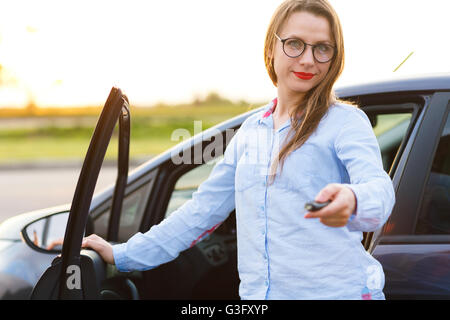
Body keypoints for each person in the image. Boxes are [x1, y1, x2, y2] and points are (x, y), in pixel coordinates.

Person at [81, 0, 395, 300]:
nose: (308, 59)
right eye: (295, 43)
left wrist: (353, 200)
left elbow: (379, 191)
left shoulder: (344, 121)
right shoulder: (251, 132)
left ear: (334, 57)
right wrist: (122, 254)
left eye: (322, 48)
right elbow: (200, 212)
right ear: (271, 47)